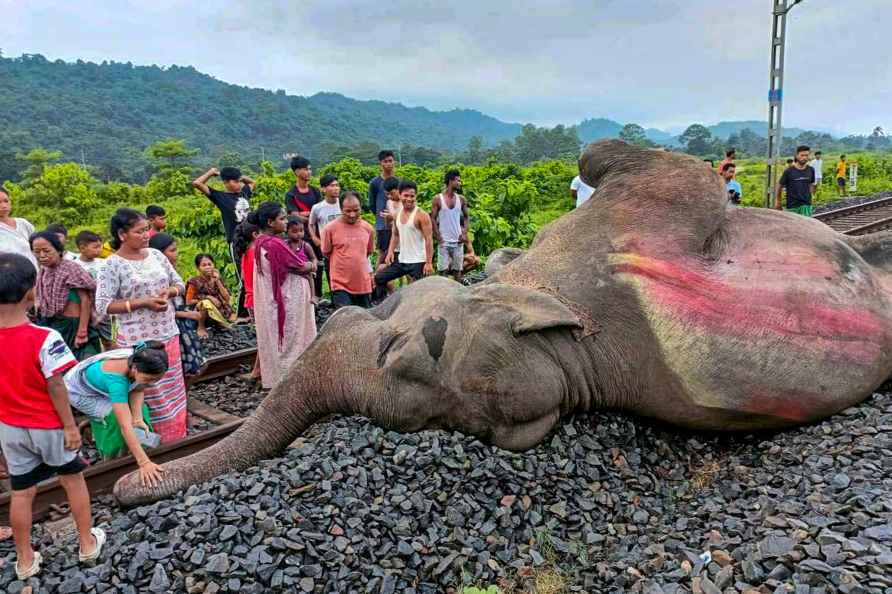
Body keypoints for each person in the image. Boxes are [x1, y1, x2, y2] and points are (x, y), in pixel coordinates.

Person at [0, 253, 105, 579]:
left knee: (21, 492)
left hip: (11, 428)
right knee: (72, 480)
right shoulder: (45, 338)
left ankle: (25, 560)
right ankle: (87, 543)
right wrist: (70, 426)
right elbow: (57, 385)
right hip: (49, 426)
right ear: (32, 293)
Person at [95, 208, 188, 443]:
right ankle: (149, 440)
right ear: (122, 235)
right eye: (139, 231)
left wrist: (171, 291)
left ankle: (176, 436)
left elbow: (179, 282)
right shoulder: (111, 265)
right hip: (137, 340)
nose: (146, 234)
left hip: (167, 333)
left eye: (147, 229)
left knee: (172, 387)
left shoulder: (156, 255)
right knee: (146, 389)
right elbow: (103, 305)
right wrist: (142, 303)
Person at [64, 342, 167, 487]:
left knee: (140, 411)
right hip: (81, 393)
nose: (152, 384)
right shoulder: (116, 380)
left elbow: (138, 388)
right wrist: (144, 463)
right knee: (113, 417)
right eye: (149, 379)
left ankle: (139, 449)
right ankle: (114, 458)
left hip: (105, 386)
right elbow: (124, 425)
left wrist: (137, 419)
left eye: (156, 380)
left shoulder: (141, 359)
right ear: (135, 369)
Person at [249, 202, 317, 389]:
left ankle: (276, 377)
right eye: (282, 219)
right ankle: (291, 382)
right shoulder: (275, 245)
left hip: (275, 298)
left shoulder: (260, 242)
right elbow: (301, 265)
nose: (286, 222)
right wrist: (313, 265)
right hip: (288, 300)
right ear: (271, 222)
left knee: (281, 340)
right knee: (291, 340)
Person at [191, 166, 255, 318]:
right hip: (236, 242)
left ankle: (250, 309)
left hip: (251, 241)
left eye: (239, 181)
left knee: (253, 275)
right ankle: (242, 313)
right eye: (235, 181)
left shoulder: (244, 193)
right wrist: (213, 173)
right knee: (243, 277)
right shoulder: (220, 197)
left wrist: (238, 176)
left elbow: (252, 182)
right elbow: (197, 183)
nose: (239, 184)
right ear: (226, 183)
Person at [30, 231, 101, 360]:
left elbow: (85, 300)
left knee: (82, 364)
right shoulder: (43, 271)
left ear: (58, 249)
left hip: (74, 326)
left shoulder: (71, 269)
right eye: (37, 251)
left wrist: (82, 332)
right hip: (54, 324)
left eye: (46, 251)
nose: (42, 255)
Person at [149, 234, 206, 377]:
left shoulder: (171, 272)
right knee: (181, 366)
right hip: (172, 327)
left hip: (182, 326)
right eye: (172, 250)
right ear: (160, 254)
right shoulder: (156, 277)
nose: (177, 253)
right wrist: (188, 314)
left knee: (190, 366)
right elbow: (162, 306)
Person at [374, 180, 434, 287]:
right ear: (400, 195)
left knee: (416, 289)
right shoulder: (397, 214)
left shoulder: (422, 215)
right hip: (402, 260)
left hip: (418, 260)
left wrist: (428, 263)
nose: (409, 199)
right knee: (379, 278)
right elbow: (395, 234)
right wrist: (390, 252)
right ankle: (383, 301)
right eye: (406, 195)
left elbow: (429, 239)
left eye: (412, 196)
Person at [321, 192, 375, 308]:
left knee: (365, 320)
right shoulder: (330, 229)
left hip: (362, 284)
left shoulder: (368, 228)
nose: (352, 215)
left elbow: (368, 252)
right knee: (344, 320)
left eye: (356, 210)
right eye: (348, 211)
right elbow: (326, 252)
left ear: (361, 208)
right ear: (341, 209)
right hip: (340, 284)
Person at [284, 156, 323, 298]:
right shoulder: (291, 194)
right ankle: (306, 295)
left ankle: (318, 295)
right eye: (306, 169)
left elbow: (320, 212)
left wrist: (305, 214)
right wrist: (310, 215)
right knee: (302, 266)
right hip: (301, 238)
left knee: (319, 265)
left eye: (310, 169)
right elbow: (295, 218)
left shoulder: (315, 191)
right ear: (297, 172)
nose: (309, 172)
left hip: (317, 235)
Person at [74, 230, 114, 349]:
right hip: (83, 309)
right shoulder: (74, 265)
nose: (99, 250)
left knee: (109, 339)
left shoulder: (103, 263)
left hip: (102, 308)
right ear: (82, 248)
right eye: (95, 247)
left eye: (100, 247)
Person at [233, 221, 261, 382]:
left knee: (262, 336)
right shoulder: (255, 251)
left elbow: (243, 278)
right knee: (265, 337)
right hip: (258, 298)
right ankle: (257, 371)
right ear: (255, 235)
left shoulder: (244, 252)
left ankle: (258, 370)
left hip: (250, 299)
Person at [431, 170, 470, 282]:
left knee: (457, 271)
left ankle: (456, 297)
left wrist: (464, 233)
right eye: (458, 180)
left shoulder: (461, 199)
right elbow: (432, 218)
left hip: (458, 241)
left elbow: (467, 217)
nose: (460, 183)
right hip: (444, 241)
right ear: (450, 181)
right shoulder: (438, 199)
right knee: (442, 271)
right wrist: (438, 236)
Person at [308, 174, 342, 297]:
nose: (336, 188)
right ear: (323, 189)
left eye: (337, 185)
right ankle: (335, 299)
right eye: (332, 186)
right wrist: (314, 238)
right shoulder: (317, 208)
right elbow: (311, 224)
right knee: (330, 273)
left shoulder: (343, 203)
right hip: (327, 247)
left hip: (344, 246)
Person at [187, 253, 235, 338]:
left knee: (235, 318)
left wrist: (217, 281)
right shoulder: (194, 282)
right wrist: (208, 297)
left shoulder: (217, 278)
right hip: (202, 313)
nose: (207, 267)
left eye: (210, 264)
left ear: (214, 265)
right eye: (204, 265)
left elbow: (227, 298)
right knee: (206, 303)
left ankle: (220, 322)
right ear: (198, 268)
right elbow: (188, 301)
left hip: (220, 309)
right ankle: (201, 327)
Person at [368, 150, 397, 268]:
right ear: (380, 163)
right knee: (383, 253)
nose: (389, 164)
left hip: (397, 222)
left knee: (399, 252)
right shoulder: (375, 183)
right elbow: (372, 205)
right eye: (386, 161)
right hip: (382, 225)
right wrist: (381, 216)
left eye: (390, 161)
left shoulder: (397, 182)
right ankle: (376, 278)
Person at [0, 189, 37, 269]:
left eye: (6, 201)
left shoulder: (23, 223)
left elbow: (37, 247)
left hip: (33, 274)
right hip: (8, 278)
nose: (4, 205)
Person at [776, 145, 816, 216]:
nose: (804, 158)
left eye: (806, 155)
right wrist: (778, 202)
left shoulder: (811, 170)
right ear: (797, 156)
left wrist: (812, 196)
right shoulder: (789, 171)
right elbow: (780, 186)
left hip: (806, 204)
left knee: (806, 226)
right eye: (802, 155)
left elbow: (811, 184)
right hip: (792, 206)